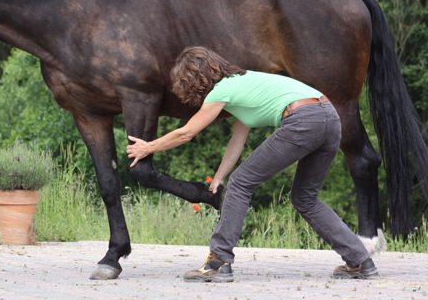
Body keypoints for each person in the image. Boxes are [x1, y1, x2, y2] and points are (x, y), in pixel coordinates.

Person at [126, 46, 379, 283]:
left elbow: (186, 133)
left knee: (242, 183)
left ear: (194, 78)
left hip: (304, 120)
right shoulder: (244, 83)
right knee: (304, 198)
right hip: (329, 117)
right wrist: (220, 176)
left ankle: (218, 261)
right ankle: (360, 260)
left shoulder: (221, 91)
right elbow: (238, 139)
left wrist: (147, 147)